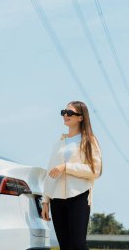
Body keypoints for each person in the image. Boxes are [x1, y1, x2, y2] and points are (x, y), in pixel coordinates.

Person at [41, 101, 102, 250]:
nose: (65, 115)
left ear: (80, 117)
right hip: (56, 199)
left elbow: (96, 170)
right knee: (65, 246)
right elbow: (50, 173)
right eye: (63, 112)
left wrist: (66, 167)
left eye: (69, 113)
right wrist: (45, 201)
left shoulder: (89, 140)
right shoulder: (59, 143)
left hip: (79, 196)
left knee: (78, 245)